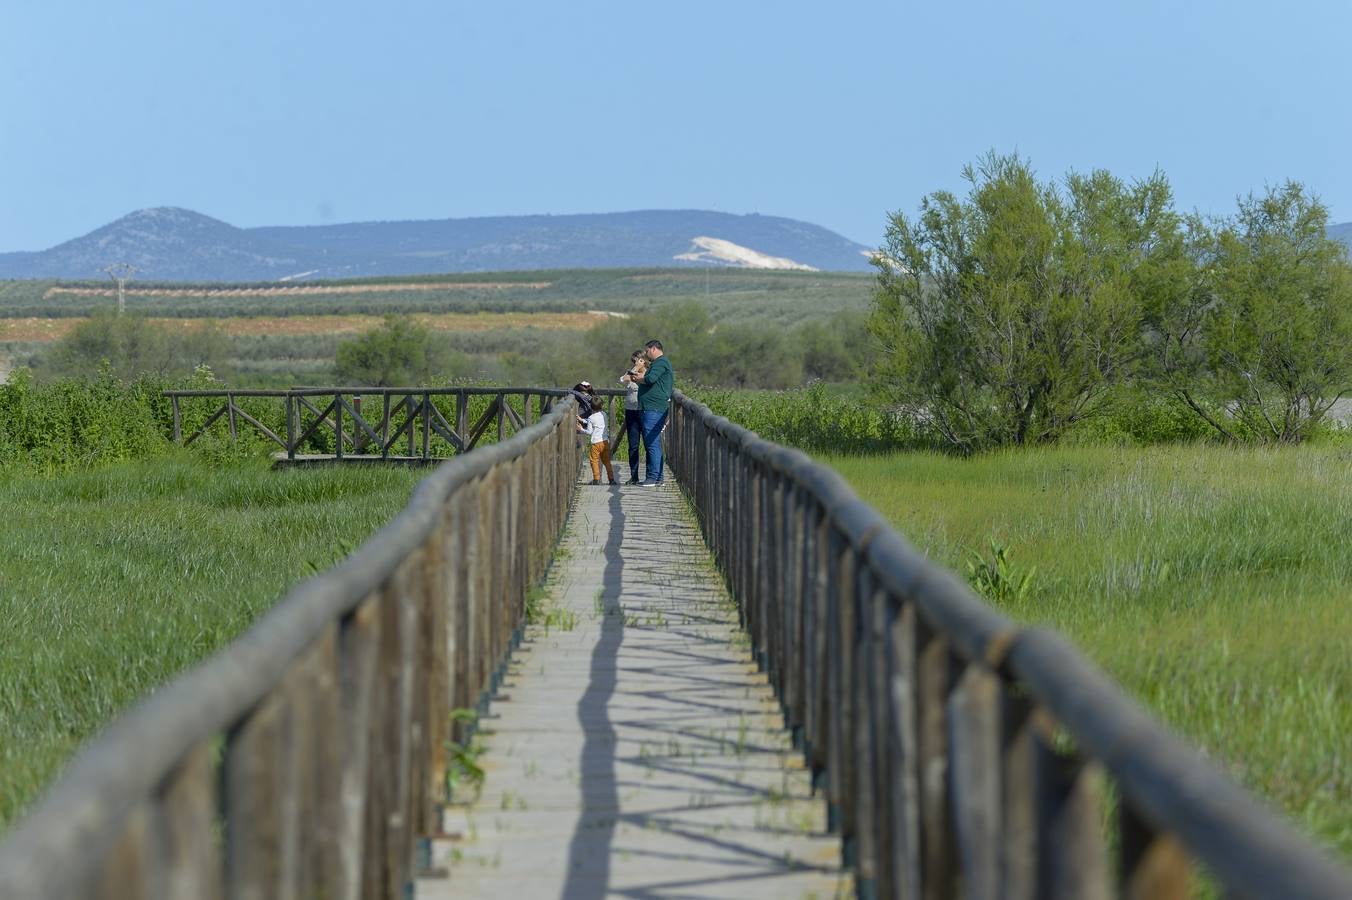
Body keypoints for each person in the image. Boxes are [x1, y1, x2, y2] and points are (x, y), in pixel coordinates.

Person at [633, 339, 673, 486]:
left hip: (654, 408)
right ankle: (658, 478)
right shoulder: (659, 363)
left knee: (651, 443)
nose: (646, 354)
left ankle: (653, 477)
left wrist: (639, 379)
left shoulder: (660, 362)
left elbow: (650, 378)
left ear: (654, 348)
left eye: (648, 350)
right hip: (651, 407)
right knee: (653, 443)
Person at [617, 350, 648, 484]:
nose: (635, 363)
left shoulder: (649, 373)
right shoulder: (631, 372)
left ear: (644, 360)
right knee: (633, 445)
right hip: (631, 411)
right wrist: (634, 369)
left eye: (637, 360)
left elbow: (647, 380)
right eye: (634, 361)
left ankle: (651, 475)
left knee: (649, 445)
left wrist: (638, 371)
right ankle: (634, 476)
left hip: (645, 411)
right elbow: (622, 380)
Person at [577, 401, 616, 485]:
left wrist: (581, 429)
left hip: (596, 443)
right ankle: (611, 479)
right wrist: (583, 420)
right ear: (601, 406)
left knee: (594, 460)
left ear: (591, 407)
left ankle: (596, 479)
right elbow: (595, 422)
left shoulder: (591, 418)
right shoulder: (604, 414)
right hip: (605, 442)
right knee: (607, 461)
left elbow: (589, 431)